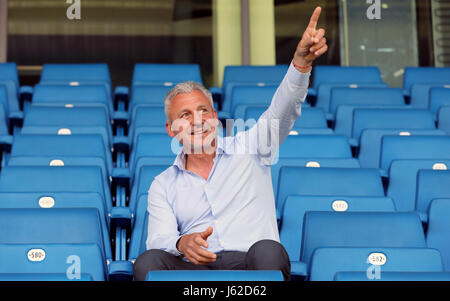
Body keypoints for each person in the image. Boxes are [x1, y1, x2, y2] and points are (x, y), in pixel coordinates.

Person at [133, 6, 328, 281]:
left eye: (203, 111)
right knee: (148, 262)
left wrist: (300, 64)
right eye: (185, 115)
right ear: (171, 129)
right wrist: (181, 243)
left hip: (250, 265)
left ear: (214, 117)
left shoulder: (252, 146)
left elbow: (282, 110)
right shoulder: (162, 185)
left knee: (270, 251)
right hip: (194, 271)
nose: (197, 121)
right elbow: (158, 238)